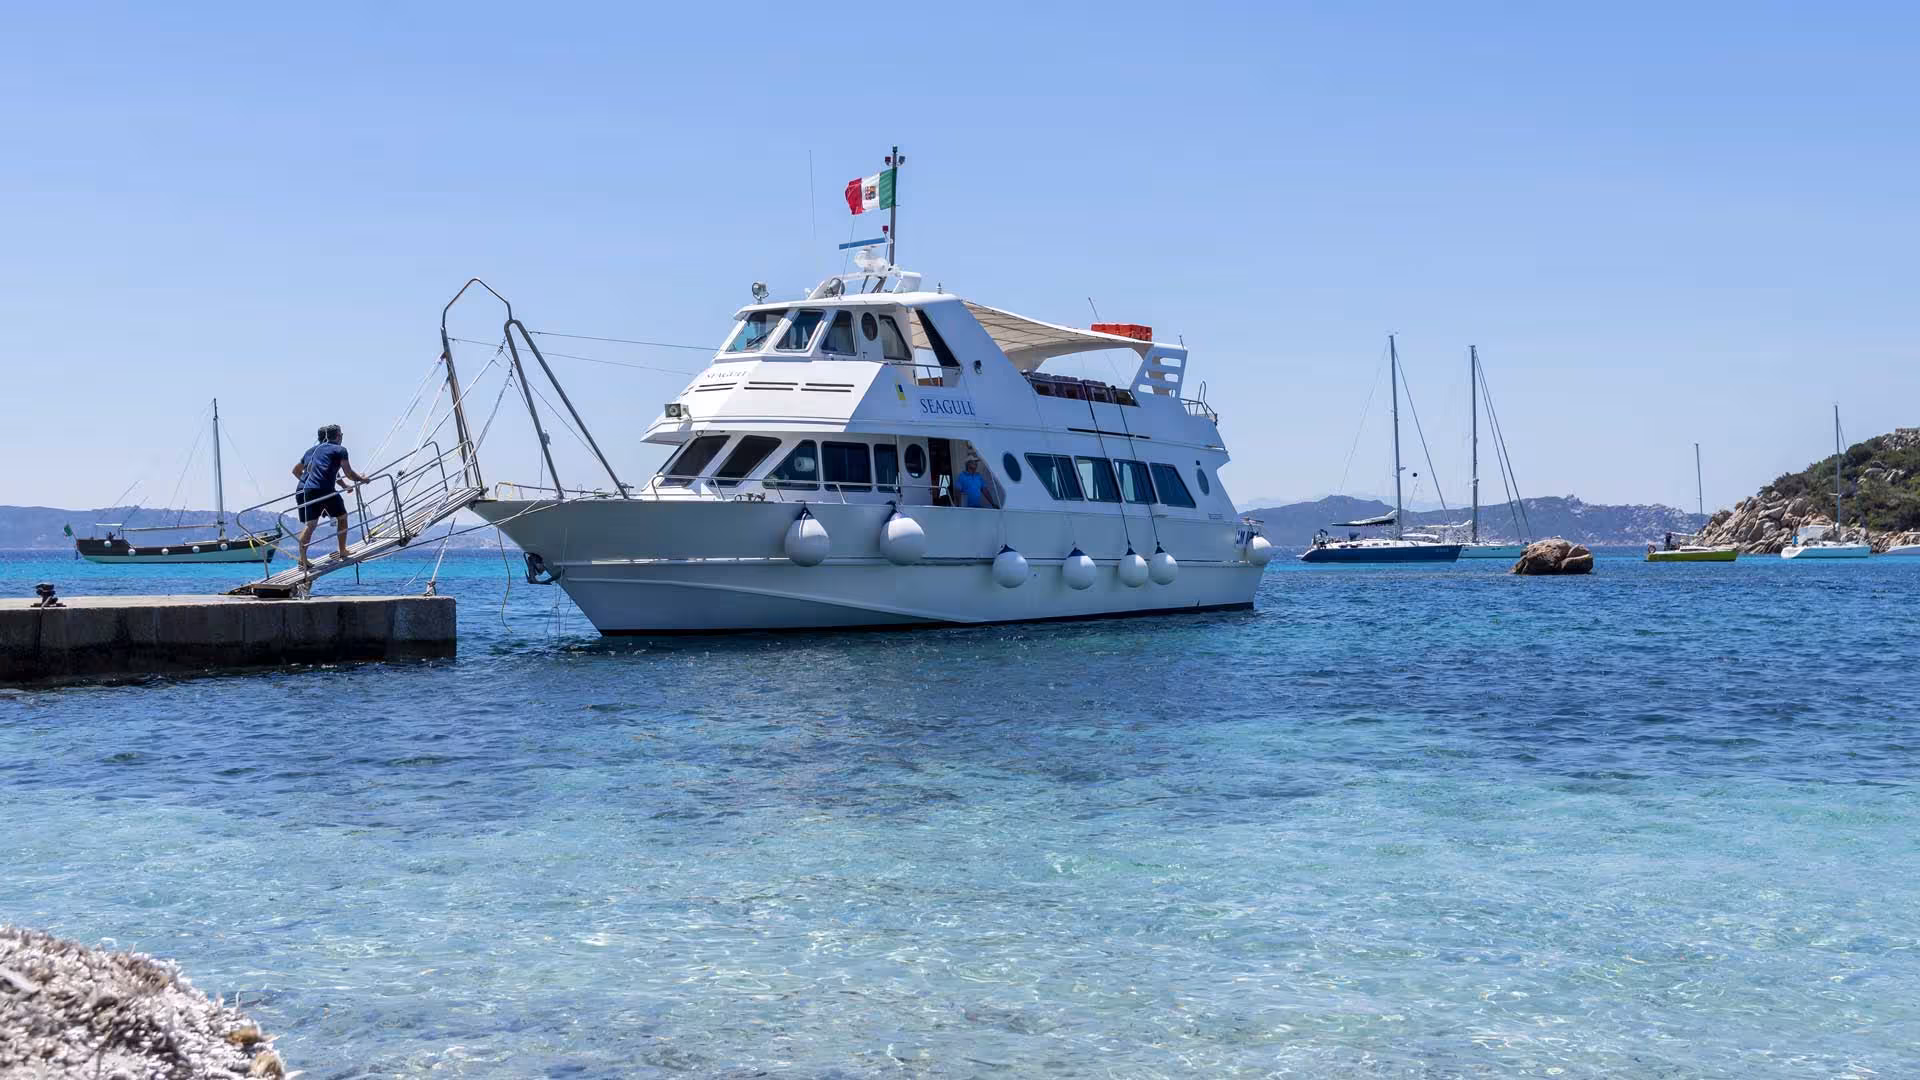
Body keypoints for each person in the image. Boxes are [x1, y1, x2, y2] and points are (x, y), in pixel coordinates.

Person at [291, 424, 372, 569]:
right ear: (338, 436)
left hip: (309, 489)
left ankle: (302, 559)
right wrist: (362, 479)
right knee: (342, 517)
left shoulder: (317, 450)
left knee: (310, 525)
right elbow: (348, 472)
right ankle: (343, 550)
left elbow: (314, 469)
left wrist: (309, 481)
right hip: (325, 489)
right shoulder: (340, 450)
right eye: (341, 435)